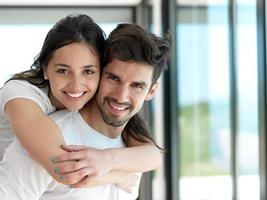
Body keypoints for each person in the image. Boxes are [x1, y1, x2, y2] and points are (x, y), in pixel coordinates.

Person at [0, 22, 171, 200]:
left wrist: (111, 162)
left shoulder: (132, 153)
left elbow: (154, 155)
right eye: (113, 78)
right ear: (100, 73)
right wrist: (118, 174)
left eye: (137, 86)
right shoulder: (44, 140)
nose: (121, 97)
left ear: (151, 91)